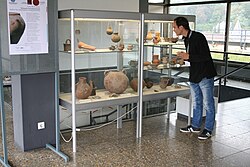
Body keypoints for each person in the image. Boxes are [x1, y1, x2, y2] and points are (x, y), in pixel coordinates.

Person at [173, 17, 217, 140]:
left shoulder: (198, 37)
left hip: (205, 75)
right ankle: (195, 126)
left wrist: (188, 56)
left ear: (181, 27)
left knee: (208, 104)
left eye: (174, 27)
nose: (174, 29)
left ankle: (208, 130)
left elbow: (205, 56)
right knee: (196, 102)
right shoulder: (186, 39)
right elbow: (193, 57)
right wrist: (185, 56)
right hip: (194, 75)